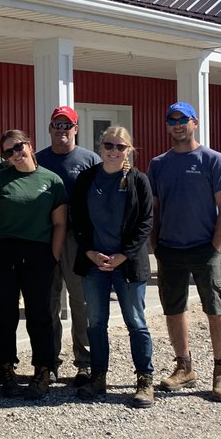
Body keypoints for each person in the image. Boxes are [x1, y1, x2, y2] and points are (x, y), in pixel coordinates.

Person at [147, 102, 221, 402]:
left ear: (194, 123)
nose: (177, 125)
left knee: (215, 309)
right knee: (174, 309)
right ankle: (184, 366)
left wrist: (215, 245)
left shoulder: (213, 160)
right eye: (171, 120)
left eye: (182, 120)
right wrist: (155, 243)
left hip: (204, 248)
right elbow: (155, 209)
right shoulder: (158, 164)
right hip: (169, 249)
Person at [70, 126, 156, 407]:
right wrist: (90, 251)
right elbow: (78, 219)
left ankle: (144, 378)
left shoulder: (137, 180)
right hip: (94, 263)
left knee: (136, 322)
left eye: (120, 147)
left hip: (127, 264)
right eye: (109, 145)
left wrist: (123, 255)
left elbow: (145, 222)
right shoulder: (87, 178)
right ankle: (98, 376)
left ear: (129, 150)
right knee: (96, 323)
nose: (114, 151)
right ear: (100, 146)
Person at [0, 130, 67, 399]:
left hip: (38, 252)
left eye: (18, 147)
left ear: (29, 145)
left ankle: (43, 369)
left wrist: (53, 256)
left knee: (39, 313)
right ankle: (5, 367)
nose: (15, 154)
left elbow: (60, 223)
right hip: (3, 252)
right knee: (5, 314)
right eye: (8, 152)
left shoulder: (51, 181)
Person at [36, 106, 100, 385]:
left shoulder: (90, 160)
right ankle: (49, 361)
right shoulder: (37, 160)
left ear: (76, 129)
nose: (61, 130)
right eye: (56, 125)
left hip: (77, 239)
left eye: (67, 125)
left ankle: (84, 362)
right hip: (46, 238)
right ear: (49, 129)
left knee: (80, 301)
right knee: (48, 302)